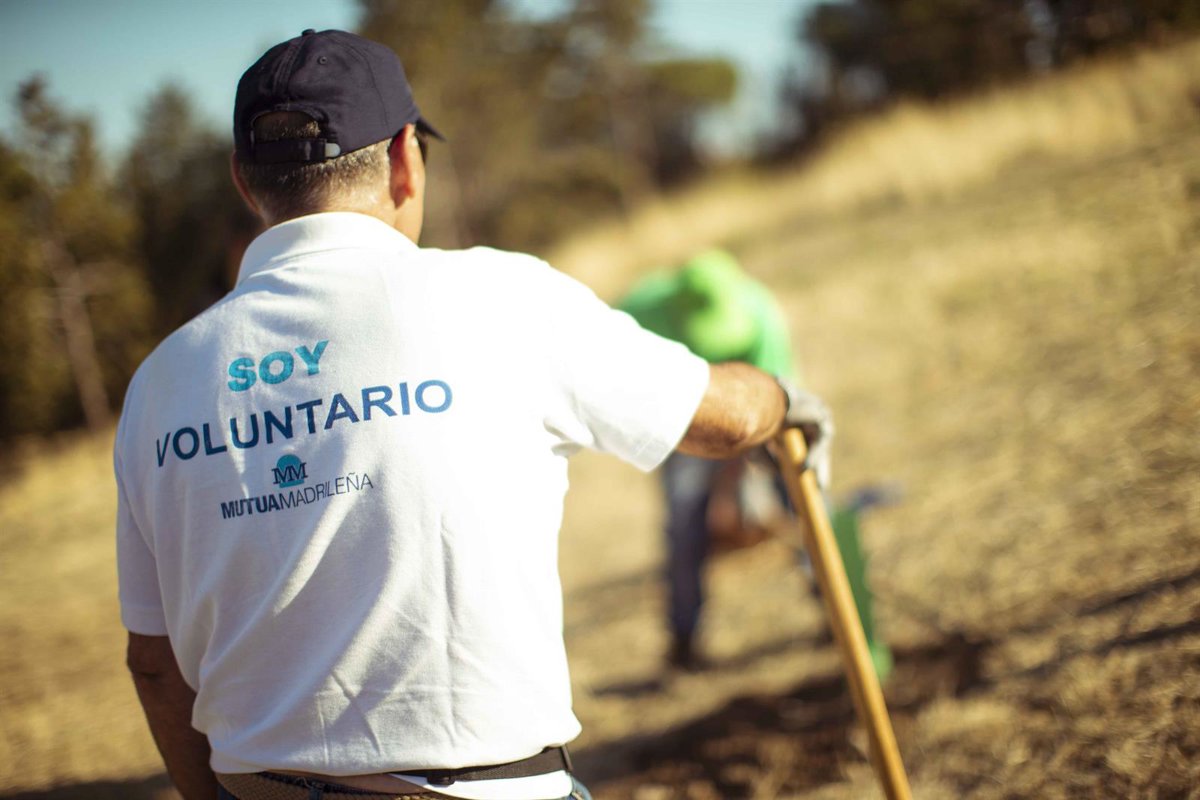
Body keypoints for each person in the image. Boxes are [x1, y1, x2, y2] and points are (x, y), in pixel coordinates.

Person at [115, 30, 832, 800]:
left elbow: (154, 663)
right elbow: (724, 420)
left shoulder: (160, 383)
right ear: (405, 158)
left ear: (243, 180)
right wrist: (785, 399)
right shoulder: (502, 299)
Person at [618, 251, 829, 671]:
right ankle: (684, 642)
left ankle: (836, 607)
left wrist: (736, 486)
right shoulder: (635, 315)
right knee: (683, 521)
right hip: (683, 422)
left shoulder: (761, 316)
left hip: (755, 413)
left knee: (804, 500)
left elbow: (778, 408)